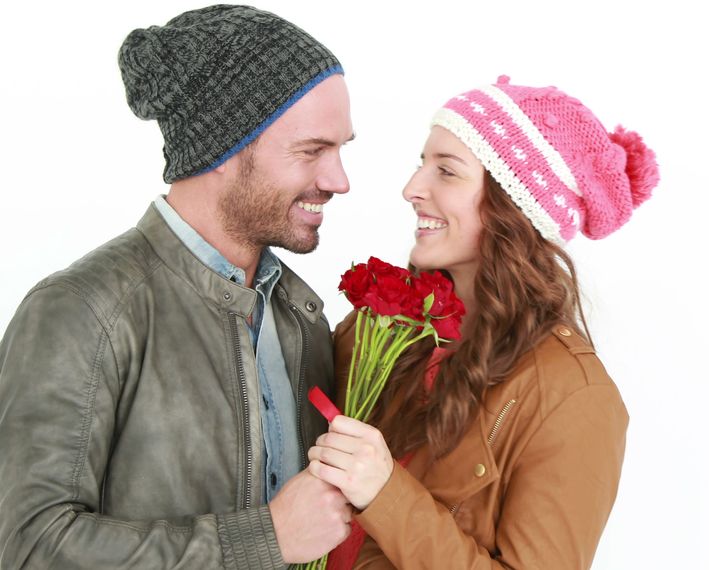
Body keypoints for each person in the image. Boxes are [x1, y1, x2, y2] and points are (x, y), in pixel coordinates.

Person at [0, 5, 357, 568]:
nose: (339, 180)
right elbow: (27, 547)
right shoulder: (83, 311)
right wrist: (263, 538)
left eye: (342, 149)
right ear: (224, 147)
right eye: (312, 150)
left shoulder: (300, 315)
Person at [308, 75, 659, 569]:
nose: (412, 188)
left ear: (512, 209)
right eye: (421, 164)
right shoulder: (383, 325)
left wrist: (386, 494)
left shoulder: (572, 397)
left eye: (446, 172)